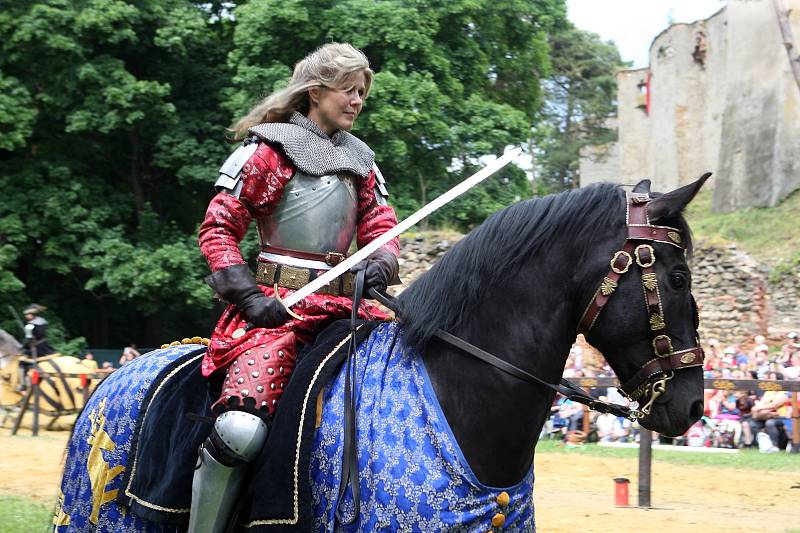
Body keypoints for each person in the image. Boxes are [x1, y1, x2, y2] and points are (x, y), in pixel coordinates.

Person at [189, 43, 400, 533]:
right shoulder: (267, 151)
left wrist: (381, 265)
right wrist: (248, 296)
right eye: (348, 90)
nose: (357, 101)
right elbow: (218, 230)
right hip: (276, 314)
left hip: (347, 310)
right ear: (315, 92)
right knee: (239, 432)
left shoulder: (363, 163)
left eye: (362, 92)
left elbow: (383, 231)